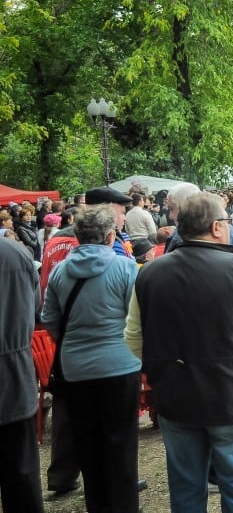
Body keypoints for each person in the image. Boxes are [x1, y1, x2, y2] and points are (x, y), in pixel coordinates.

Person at [124, 192, 233, 512]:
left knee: (186, 491)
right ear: (216, 227)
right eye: (227, 222)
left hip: (176, 396)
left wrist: (162, 367)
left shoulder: (149, 273)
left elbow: (133, 340)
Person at [42, 205, 142, 513]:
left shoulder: (60, 271)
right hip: (120, 365)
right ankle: (124, 505)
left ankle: (97, 505)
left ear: (77, 236)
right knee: (121, 440)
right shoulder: (125, 268)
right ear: (111, 235)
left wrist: (72, 342)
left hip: (76, 368)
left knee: (87, 440)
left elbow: (49, 319)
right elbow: (135, 317)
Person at [0, 233, 44, 513]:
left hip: (14, 366)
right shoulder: (15, 253)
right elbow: (36, 308)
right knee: (21, 470)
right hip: (15, 375)